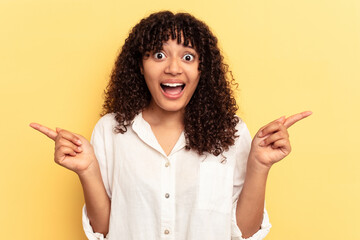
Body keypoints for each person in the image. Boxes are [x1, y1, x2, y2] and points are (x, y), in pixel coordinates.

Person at [30, 11, 312, 240]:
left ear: (203, 68)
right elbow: (104, 230)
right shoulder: (111, 130)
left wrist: (259, 166)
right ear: (140, 66)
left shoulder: (231, 133)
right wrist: (88, 170)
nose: (174, 68)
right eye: (159, 55)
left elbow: (245, 233)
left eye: (188, 57)